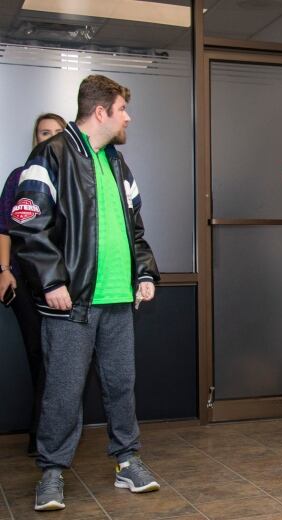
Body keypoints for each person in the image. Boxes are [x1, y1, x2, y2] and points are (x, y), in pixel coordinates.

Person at [10, 75, 161, 511]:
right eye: (122, 109)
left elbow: (135, 230)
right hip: (72, 302)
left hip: (118, 299)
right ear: (101, 112)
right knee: (63, 389)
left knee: (121, 385)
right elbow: (27, 223)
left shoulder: (118, 165)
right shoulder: (50, 155)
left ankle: (127, 461)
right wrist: (52, 280)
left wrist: (145, 274)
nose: (127, 117)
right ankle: (52, 473)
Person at [0, 113, 66, 456]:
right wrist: (3, 270)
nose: (51, 137)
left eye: (57, 132)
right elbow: (4, 228)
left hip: (63, 282)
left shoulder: (72, 179)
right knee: (39, 355)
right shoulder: (18, 177)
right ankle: (41, 440)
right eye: (45, 132)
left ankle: (50, 438)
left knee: (60, 358)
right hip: (24, 280)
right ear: (35, 138)